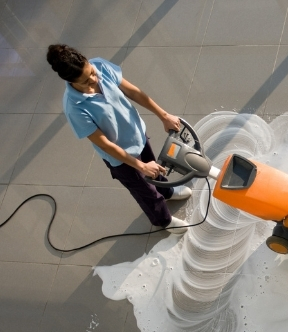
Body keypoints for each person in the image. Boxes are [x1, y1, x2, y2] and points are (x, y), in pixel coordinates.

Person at [46, 44, 191, 234]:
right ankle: (163, 220)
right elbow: (104, 144)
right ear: (70, 81)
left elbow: (134, 92)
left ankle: (166, 191)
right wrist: (140, 166)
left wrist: (164, 115)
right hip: (121, 158)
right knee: (145, 191)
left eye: (91, 72)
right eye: (86, 80)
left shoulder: (101, 66)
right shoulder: (74, 107)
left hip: (137, 134)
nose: (93, 78)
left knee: (154, 166)